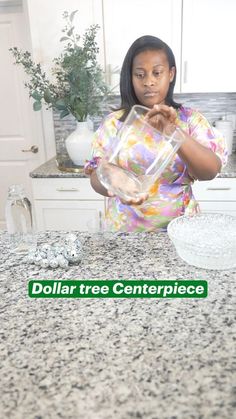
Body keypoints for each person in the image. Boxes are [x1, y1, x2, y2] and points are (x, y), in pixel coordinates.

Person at [84, 35, 227, 232]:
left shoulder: (190, 121)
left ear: (171, 73)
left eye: (157, 73)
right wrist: (109, 178)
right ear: (130, 77)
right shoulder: (114, 123)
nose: (149, 82)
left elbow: (210, 170)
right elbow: (95, 178)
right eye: (140, 74)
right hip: (124, 234)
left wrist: (172, 131)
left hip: (182, 231)